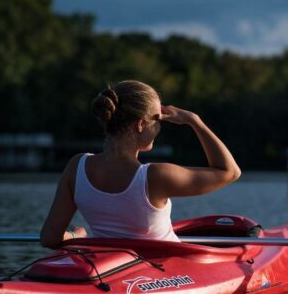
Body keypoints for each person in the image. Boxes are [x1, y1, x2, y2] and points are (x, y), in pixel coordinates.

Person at [40, 80, 241, 248]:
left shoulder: (77, 167)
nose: (160, 126)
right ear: (141, 124)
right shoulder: (156, 176)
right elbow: (230, 171)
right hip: (165, 274)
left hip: (114, 271)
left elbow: (50, 238)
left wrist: (77, 237)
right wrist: (194, 121)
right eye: (158, 119)